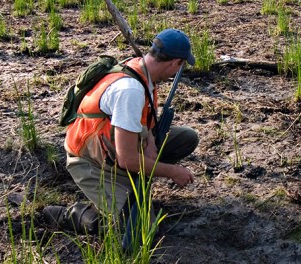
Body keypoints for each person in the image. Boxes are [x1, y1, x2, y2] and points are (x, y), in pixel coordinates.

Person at [43, 29, 199, 238]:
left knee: (185, 138)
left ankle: (135, 183)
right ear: (175, 63)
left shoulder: (141, 69)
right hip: (91, 162)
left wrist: (151, 140)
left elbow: (145, 117)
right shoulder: (130, 90)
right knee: (141, 231)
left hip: (115, 150)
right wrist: (172, 171)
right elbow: (127, 159)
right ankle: (72, 214)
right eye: (181, 66)